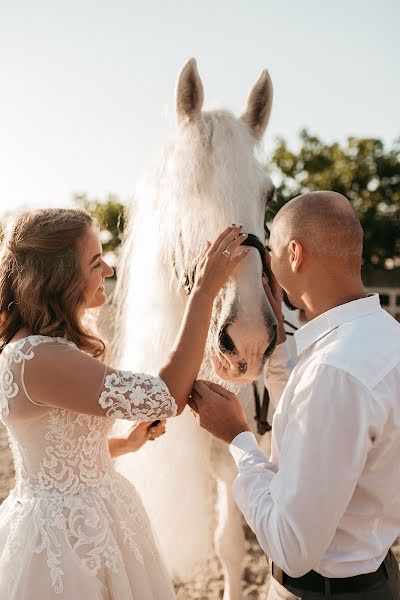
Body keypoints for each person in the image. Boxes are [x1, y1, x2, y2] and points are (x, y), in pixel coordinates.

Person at [0, 207, 250, 599]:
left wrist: (127, 445)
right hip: (66, 540)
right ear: (61, 278)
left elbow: (58, 456)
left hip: (97, 511)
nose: (109, 272)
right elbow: (165, 397)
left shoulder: (41, 350)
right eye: (96, 262)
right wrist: (203, 292)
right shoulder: (36, 357)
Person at [189, 191, 400, 599]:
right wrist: (282, 354)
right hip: (377, 575)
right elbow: (319, 435)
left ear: (295, 254)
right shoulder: (384, 337)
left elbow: (291, 546)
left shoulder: (333, 372)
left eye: (269, 250)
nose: (266, 262)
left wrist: (238, 438)